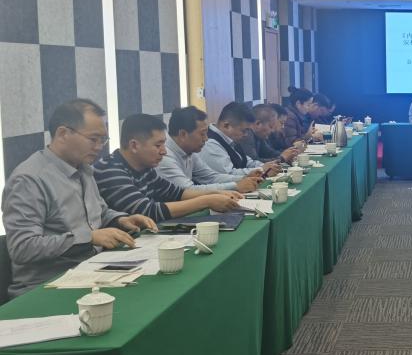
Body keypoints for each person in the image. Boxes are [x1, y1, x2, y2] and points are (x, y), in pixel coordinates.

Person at [2, 99, 155, 298]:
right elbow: (22, 248)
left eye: (103, 140)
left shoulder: (83, 168)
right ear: (63, 134)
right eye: (93, 139)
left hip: (91, 270)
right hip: (46, 286)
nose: (99, 147)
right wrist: (88, 238)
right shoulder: (29, 180)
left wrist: (121, 220)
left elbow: (99, 212)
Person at [94, 114, 242, 222]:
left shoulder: (145, 167)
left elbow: (176, 193)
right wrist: (207, 201)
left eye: (164, 144)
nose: (164, 151)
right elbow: (148, 211)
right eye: (158, 145)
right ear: (134, 145)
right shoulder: (110, 171)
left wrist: (217, 193)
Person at [158, 106, 261, 193]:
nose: (206, 139)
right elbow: (188, 190)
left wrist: (244, 178)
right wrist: (235, 186)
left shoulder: (189, 151)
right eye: (202, 134)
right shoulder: (164, 156)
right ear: (183, 134)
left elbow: (210, 177)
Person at [200, 102, 281, 177]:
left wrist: (267, 166)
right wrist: (261, 169)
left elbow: (248, 162)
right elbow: (228, 174)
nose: (246, 135)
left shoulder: (230, 139)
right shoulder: (210, 143)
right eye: (244, 130)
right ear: (226, 125)